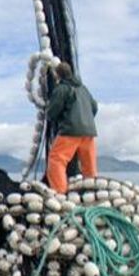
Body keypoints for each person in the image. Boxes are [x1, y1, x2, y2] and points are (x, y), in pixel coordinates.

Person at [45, 62, 98, 193]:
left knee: (56, 159)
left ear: (57, 75)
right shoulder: (83, 88)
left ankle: (60, 193)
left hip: (70, 130)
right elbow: (94, 107)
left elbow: (52, 112)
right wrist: (86, 121)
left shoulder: (62, 89)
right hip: (89, 132)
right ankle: (92, 192)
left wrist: (50, 114)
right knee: (89, 164)